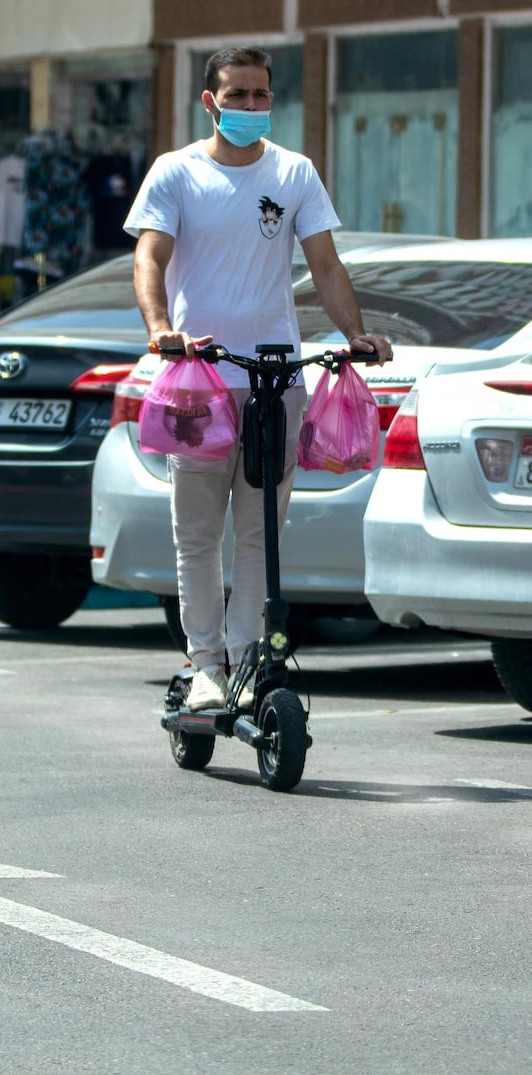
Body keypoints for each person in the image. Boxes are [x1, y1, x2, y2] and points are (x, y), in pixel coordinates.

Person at [124, 45, 393, 712]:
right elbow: (149, 258)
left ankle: (248, 659)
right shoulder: (176, 173)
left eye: (259, 95)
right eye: (236, 95)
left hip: (275, 378)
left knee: (259, 530)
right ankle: (206, 662)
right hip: (197, 379)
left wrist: (354, 333)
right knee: (197, 529)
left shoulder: (294, 171)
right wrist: (161, 328)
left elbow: (325, 267)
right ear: (209, 102)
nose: (249, 107)